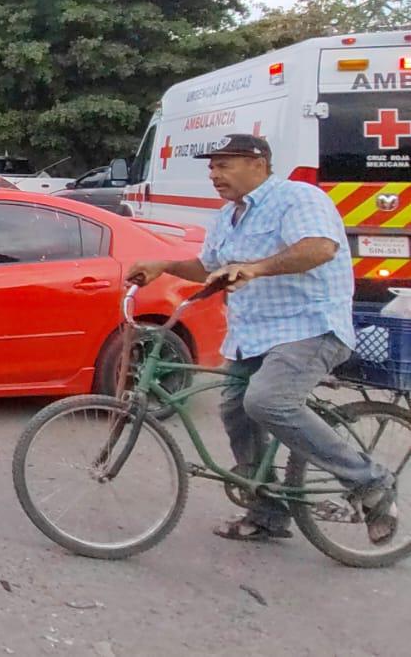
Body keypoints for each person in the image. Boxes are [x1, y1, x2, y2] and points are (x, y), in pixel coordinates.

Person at [126, 134, 397, 545]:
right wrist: (164, 265)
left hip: (309, 327)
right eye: (212, 167)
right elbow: (207, 266)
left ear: (258, 163)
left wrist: (257, 268)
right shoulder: (228, 216)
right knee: (236, 411)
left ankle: (370, 481)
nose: (215, 174)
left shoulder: (297, 198)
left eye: (224, 165)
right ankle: (267, 512)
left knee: (267, 401)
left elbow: (320, 248)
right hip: (253, 335)